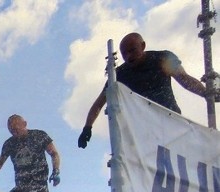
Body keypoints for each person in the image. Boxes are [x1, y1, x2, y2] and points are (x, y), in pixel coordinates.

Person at [78, 32, 207, 148]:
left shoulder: (162, 59)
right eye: (124, 54)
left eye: (132, 50)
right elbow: (99, 103)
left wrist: (206, 94)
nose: (129, 56)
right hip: (144, 130)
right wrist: (87, 127)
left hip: (171, 122)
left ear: (143, 46)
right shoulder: (120, 74)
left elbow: (184, 79)